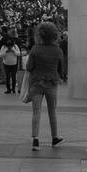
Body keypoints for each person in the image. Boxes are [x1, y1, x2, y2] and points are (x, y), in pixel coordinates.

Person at [25, 21, 65, 151]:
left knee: (36, 112)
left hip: (36, 83)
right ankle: (54, 138)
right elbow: (61, 69)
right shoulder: (58, 51)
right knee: (52, 112)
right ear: (54, 35)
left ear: (40, 35)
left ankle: (35, 140)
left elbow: (29, 67)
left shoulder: (35, 49)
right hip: (52, 83)